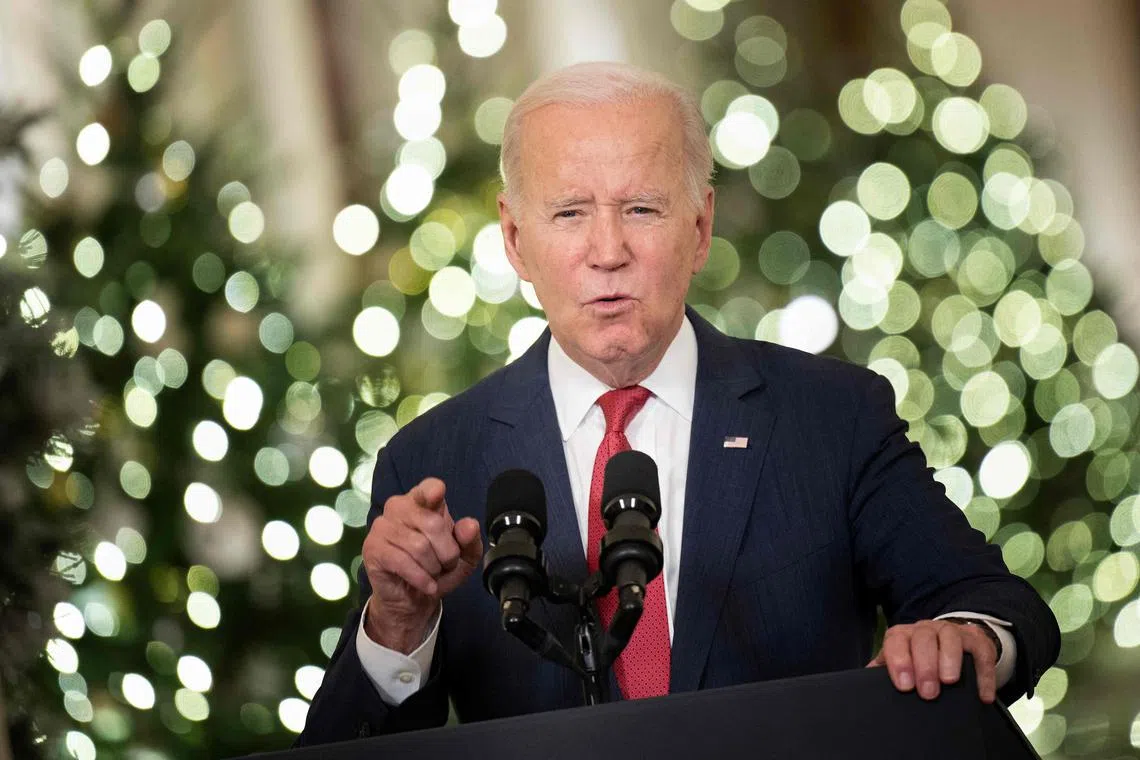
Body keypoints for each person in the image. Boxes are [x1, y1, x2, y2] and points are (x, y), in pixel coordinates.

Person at [296, 62, 1059, 745]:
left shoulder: (833, 417)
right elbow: (343, 751)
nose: (607, 251)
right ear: (515, 240)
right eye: (569, 213)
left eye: (642, 210)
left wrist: (963, 637)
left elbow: (995, 602)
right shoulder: (432, 463)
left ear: (700, 228)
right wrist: (396, 624)